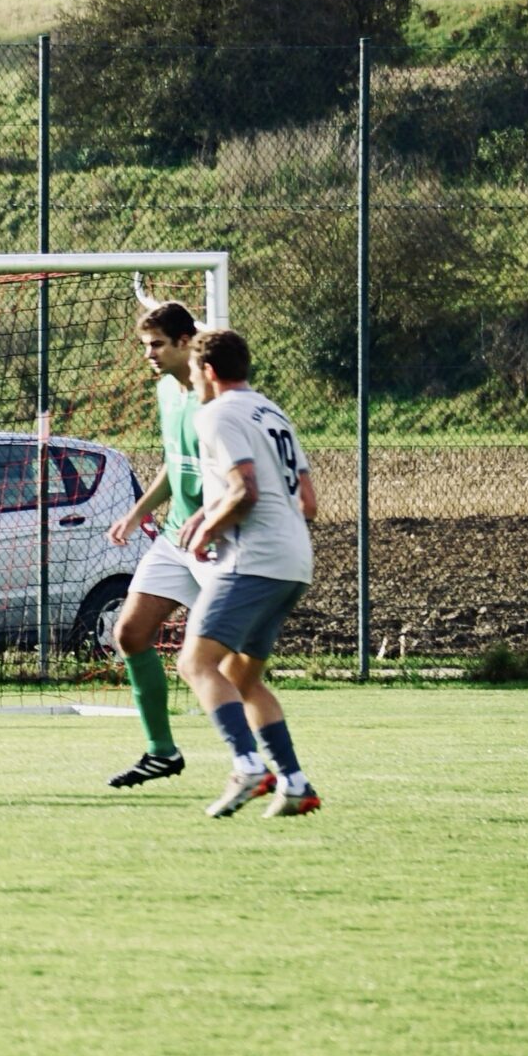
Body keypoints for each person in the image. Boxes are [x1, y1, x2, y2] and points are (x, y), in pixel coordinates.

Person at [176, 328, 323, 820]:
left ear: (208, 371)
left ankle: (247, 765)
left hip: (252, 560)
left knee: (195, 663)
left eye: (194, 371)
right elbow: (308, 502)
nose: (193, 381)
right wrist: (212, 511)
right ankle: (295, 784)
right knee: (241, 678)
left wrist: (206, 530)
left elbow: (246, 491)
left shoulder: (216, 414)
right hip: (293, 561)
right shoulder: (271, 412)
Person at [102, 299, 206, 788]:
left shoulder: (216, 396)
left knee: (220, 665)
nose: (149, 355)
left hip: (219, 545)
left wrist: (211, 518)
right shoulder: (166, 390)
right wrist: (137, 513)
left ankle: (260, 763)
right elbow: (175, 462)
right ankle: (161, 752)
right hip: (175, 538)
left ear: (186, 342)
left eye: (157, 345)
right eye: (145, 345)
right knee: (130, 634)